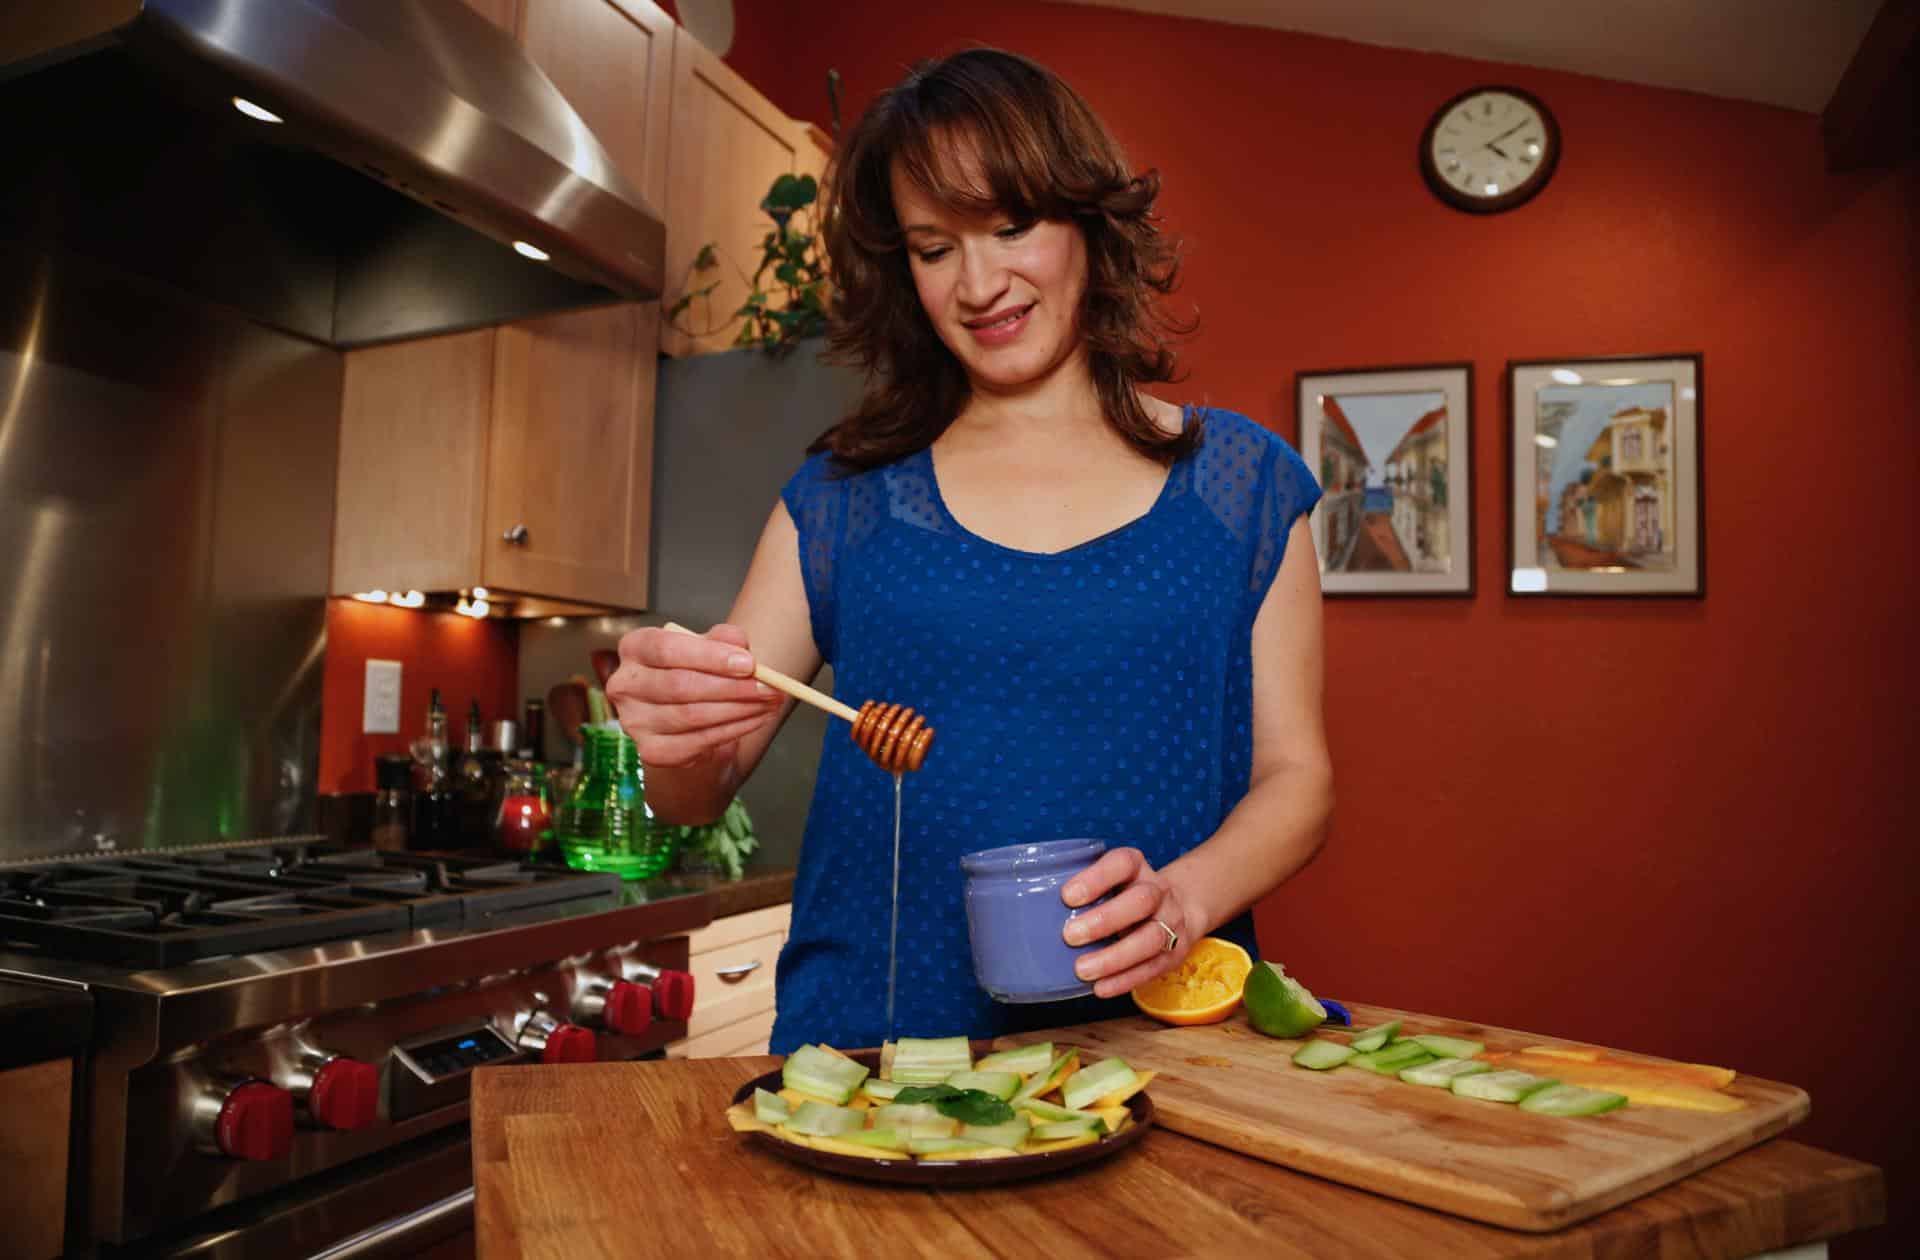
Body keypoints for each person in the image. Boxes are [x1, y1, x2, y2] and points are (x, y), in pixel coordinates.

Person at [607, 47, 1332, 1053]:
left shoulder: (1242, 487)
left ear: (1085, 221)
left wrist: (1184, 899)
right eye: (933, 246)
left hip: (1162, 1055)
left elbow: (1298, 777)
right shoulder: (841, 501)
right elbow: (696, 790)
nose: (979, 282)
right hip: (870, 1058)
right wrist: (672, 738)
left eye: (1010, 225)